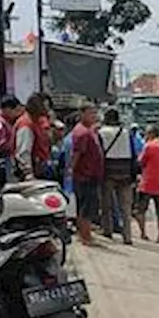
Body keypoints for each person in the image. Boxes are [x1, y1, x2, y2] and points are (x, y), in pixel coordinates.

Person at [97, 108, 142, 245]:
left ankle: (108, 231)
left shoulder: (101, 133)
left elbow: (99, 153)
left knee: (107, 205)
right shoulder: (126, 132)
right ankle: (127, 237)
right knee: (126, 208)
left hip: (108, 172)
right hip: (126, 173)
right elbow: (134, 154)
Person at [67, 104, 104, 246]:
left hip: (91, 175)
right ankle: (85, 237)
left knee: (88, 206)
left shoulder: (89, 131)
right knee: (86, 207)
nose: (94, 116)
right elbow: (77, 154)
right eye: (90, 113)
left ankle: (85, 234)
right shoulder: (81, 132)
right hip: (85, 175)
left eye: (95, 113)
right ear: (81, 114)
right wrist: (72, 170)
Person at [134, 125, 159, 244]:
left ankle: (143, 233)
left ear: (150, 134)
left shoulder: (148, 146)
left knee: (141, 210)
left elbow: (140, 162)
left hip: (148, 183)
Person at [12, 94, 53, 181]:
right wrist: (28, 173)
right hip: (33, 173)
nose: (47, 109)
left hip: (42, 167)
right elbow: (23, 152)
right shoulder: (26, 124)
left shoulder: (37, 121)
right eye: (44, 106)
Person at [0, 95, 23, 160]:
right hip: (3, 157)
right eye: (15, 110)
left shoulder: (8, 120)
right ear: (7, 109)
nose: (16, 113)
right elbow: (0, 143)